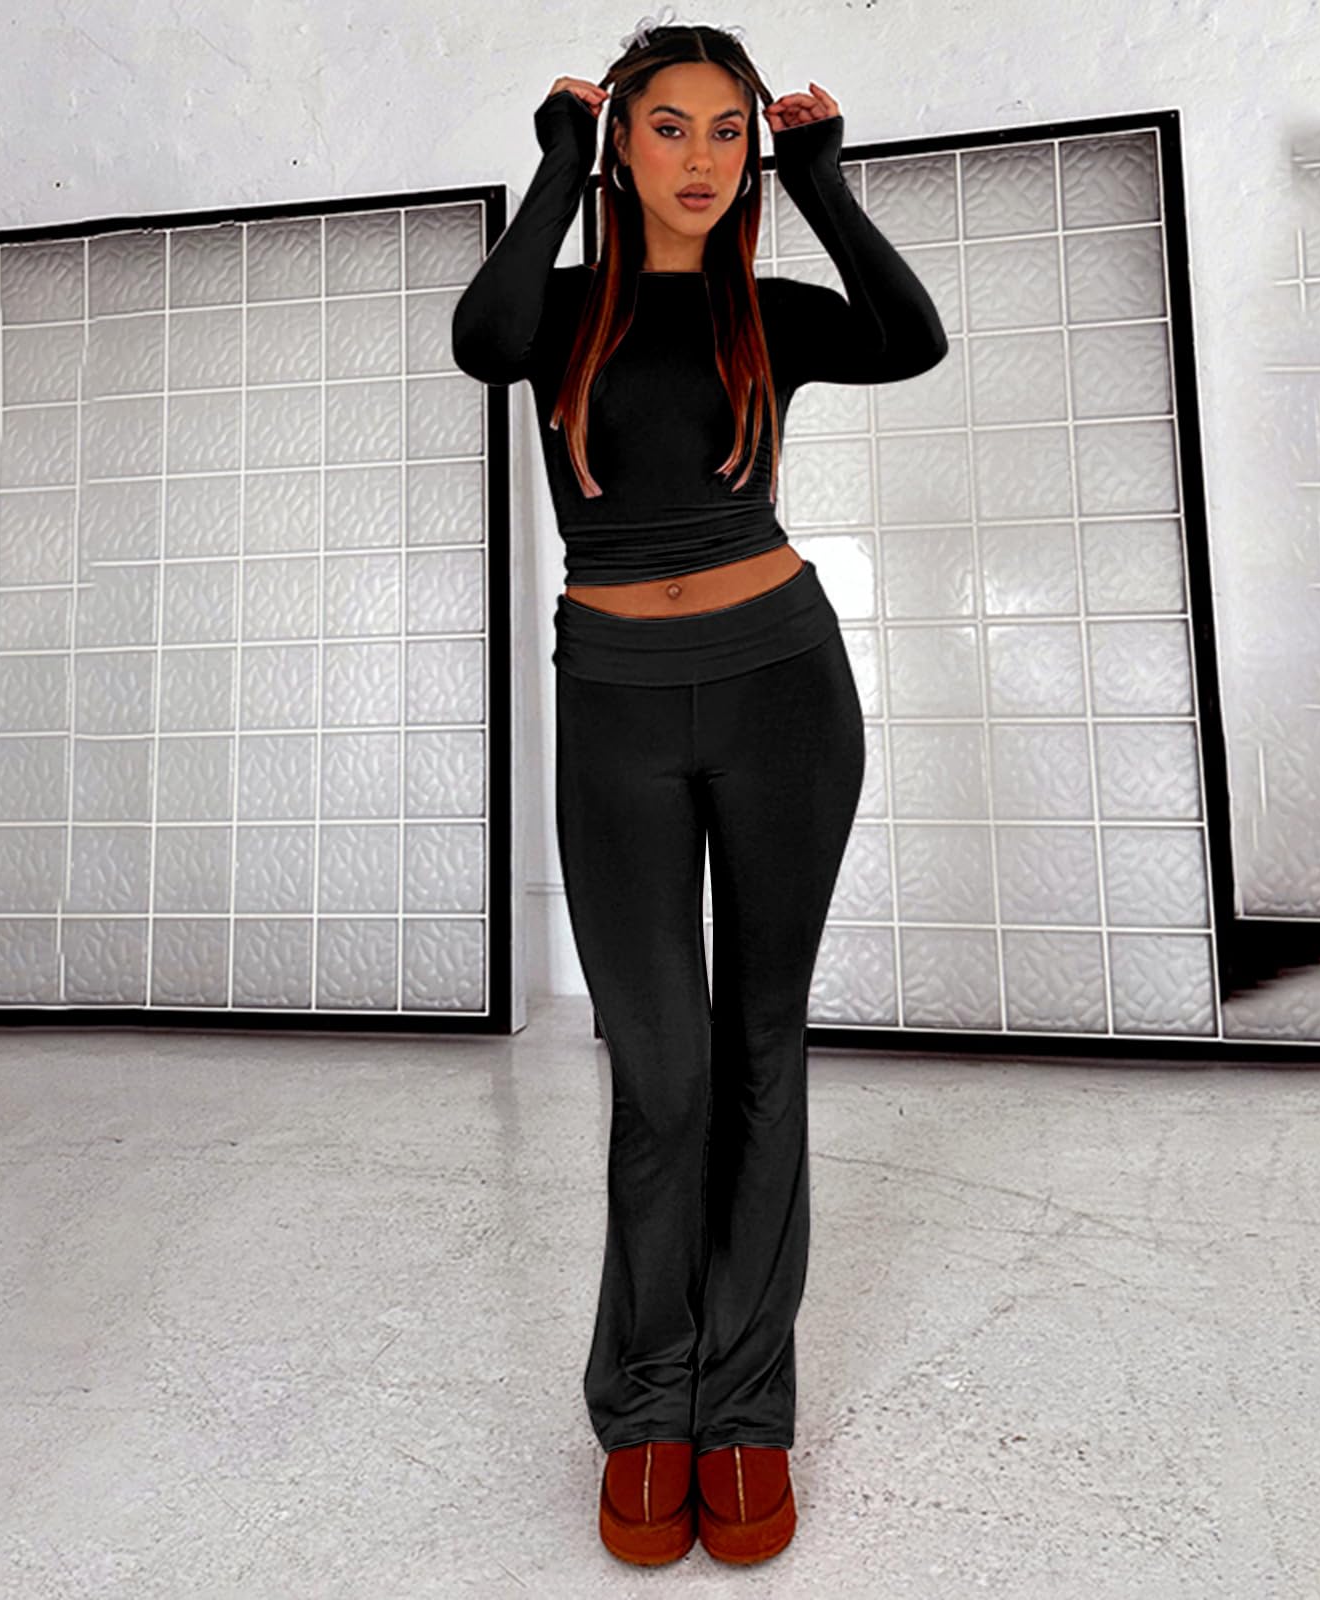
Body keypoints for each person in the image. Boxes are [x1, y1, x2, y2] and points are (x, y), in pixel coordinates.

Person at [451, 10, 948, 1569]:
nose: (703, 158)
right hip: (617, 707)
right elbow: (480, 338)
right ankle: (644, 1406)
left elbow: (912, 337)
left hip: (783, 692)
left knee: (757, 1054)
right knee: (659, 1073)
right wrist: (555, 162)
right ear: (622, 141)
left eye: (729, 131)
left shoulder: (770, 316)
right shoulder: (561, 310)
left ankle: (744, 1416)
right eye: (669, 126)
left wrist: (824, 177)